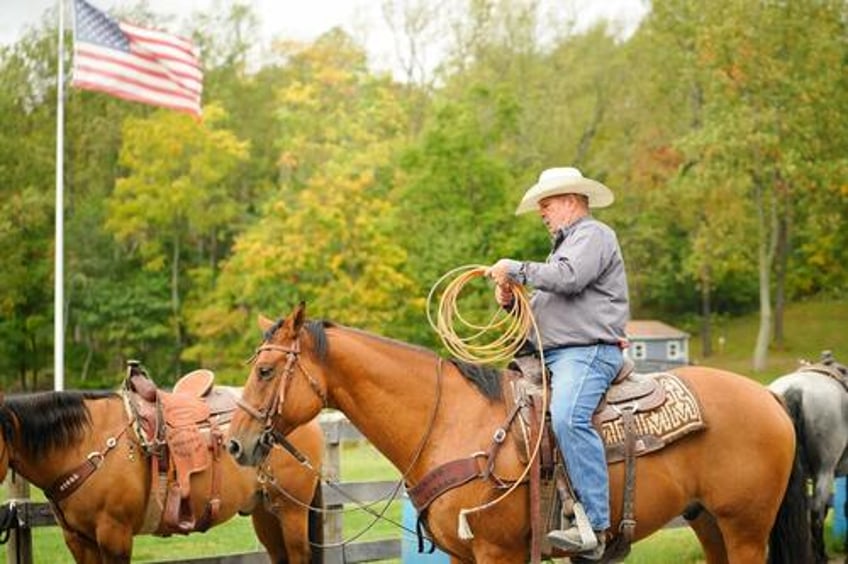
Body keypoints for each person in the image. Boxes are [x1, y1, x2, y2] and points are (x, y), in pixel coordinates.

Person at [486, 166, 630, 560]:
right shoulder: (562, 249)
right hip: (553, 356)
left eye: (546, 204)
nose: (541, 212)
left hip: (588, 352)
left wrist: (516, 269)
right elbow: (543, 313)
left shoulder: (594, 236)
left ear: (570, 201)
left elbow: (569, 279)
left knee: (568, 416)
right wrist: (514, 303)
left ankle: (596, 526)